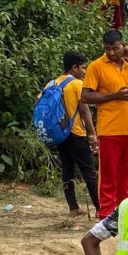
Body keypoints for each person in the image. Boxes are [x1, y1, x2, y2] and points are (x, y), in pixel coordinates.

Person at [82, 29, 128, 217]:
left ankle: (127, 211)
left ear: (124, 46)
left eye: (116, 48)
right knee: (109, 175)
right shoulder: (96, 66)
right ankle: (107, 214)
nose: (112, 52)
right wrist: (115, 95)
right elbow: (86, 95)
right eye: (108, 49)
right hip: (109, 129)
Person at [50, 51, 100, 216]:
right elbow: (84, 110)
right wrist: (92, 133)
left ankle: (73, 208)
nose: (85, 71)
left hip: (59, 133)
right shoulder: (77, 84)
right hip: (76, 132)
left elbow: (39, 103)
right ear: (74, 67)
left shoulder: (52, 84)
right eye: (83, 68)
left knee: (67, 168)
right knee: (89, 171)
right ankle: (101, 209)